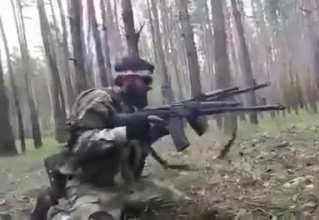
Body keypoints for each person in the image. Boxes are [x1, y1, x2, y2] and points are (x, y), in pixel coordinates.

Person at [30, 56, 200, 220]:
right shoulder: (99, 99)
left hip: (125, 185)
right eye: (145, 81)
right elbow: (80, 145)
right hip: (87, 186)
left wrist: (154, 132)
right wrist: (125, 132)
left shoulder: (131, 109)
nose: (149, 87)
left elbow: (130, 149)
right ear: (129, 79)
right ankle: (54, 211)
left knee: (180, 205)